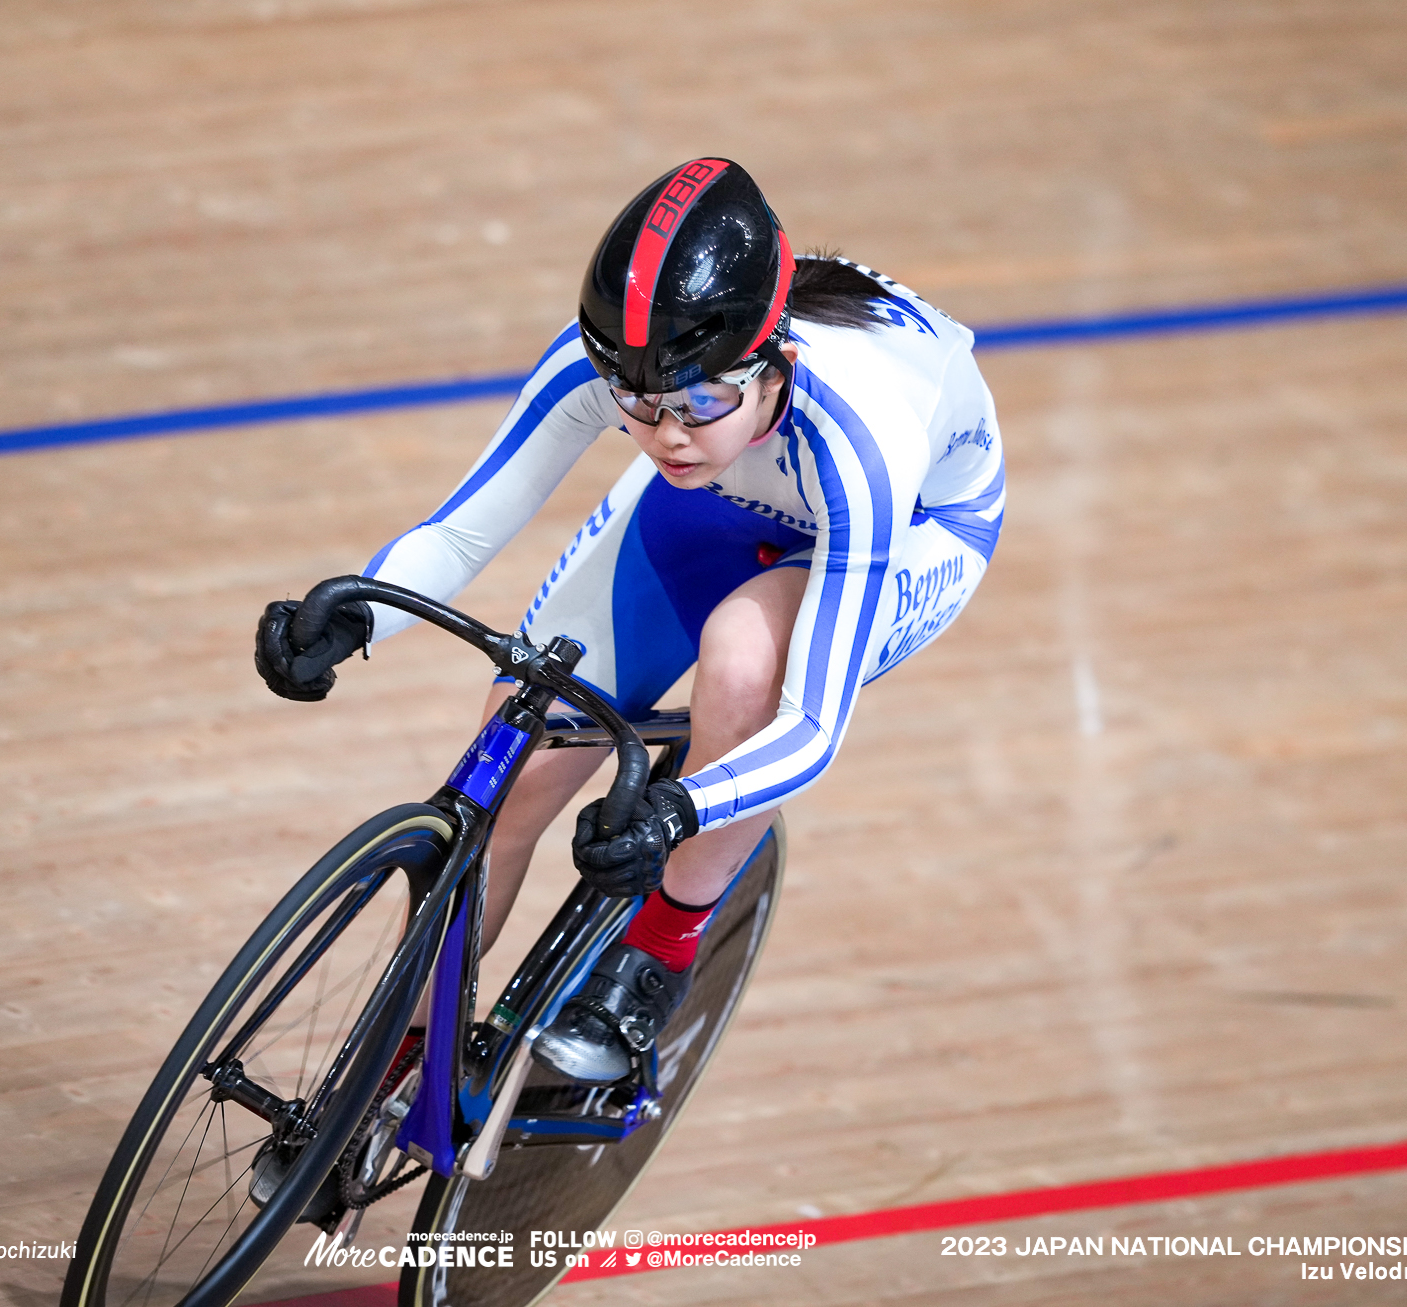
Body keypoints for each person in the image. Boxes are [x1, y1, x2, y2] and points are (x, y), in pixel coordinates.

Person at [256, 158, 1004, 1084]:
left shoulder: (862, 442)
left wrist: (676, 808)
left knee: (741, 662)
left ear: (780, 369)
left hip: (920, 526)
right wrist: (355, 618)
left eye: (699, 404)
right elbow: (461, 526)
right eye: (639, 409)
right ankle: (394, 1064)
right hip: (727, 499)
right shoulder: (628, 367)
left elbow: (812, 725)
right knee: (510, 774)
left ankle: (658, 950)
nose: (668, 436)